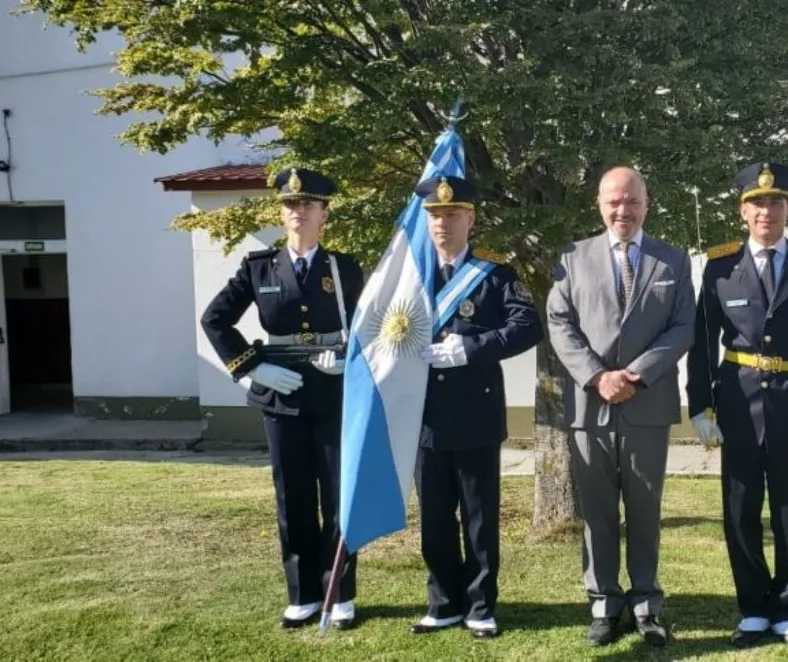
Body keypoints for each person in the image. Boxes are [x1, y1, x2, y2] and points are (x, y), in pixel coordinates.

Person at [684, 162, 788, 648]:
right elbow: (701, 341)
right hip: (736, 402)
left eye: (776, 202)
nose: (766, 212)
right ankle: (753, 607)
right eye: (757, 204)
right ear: (742, 211)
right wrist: (700, 405)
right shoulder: (719, 266)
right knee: (740, 508)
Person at [200, 166, 365, 629]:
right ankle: (303, 594)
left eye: (308, 204)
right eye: (291, 204)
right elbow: (215, 320)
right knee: (292, 497)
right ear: (281, 212)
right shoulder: (258, 268)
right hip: (281, 394)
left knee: (337, 497)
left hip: (332, 394)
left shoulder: (345, 268)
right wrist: (253, 366)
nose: (298, 211)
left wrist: (349, 359)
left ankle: (340, 591)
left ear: (324, 214)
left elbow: (368, 329)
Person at [545, 166, 696, 647]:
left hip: (647, 405)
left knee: (645, 509)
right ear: (599, 204)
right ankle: (605, 602)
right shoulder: (572, 256)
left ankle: (647, 603)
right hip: (590, 405)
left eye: (631, 201)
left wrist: (635, 374)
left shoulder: (672, 260)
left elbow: (682, 327)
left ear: (646, 204)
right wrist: (596, 376)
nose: (622, 210)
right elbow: (559, 321)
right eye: (613, 201)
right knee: (598, 511)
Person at [405, 174, 543, 639]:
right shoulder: (409, 277)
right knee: (434, 518)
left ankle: (481, 604)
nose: (443, 223)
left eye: (452, 214)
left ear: (471, 218)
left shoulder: (495, 274)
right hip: (423, 416)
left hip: (476, 416)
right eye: (436, 216)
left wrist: (471, 347)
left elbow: (527, 327)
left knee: (480, 518)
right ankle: (443, 601)